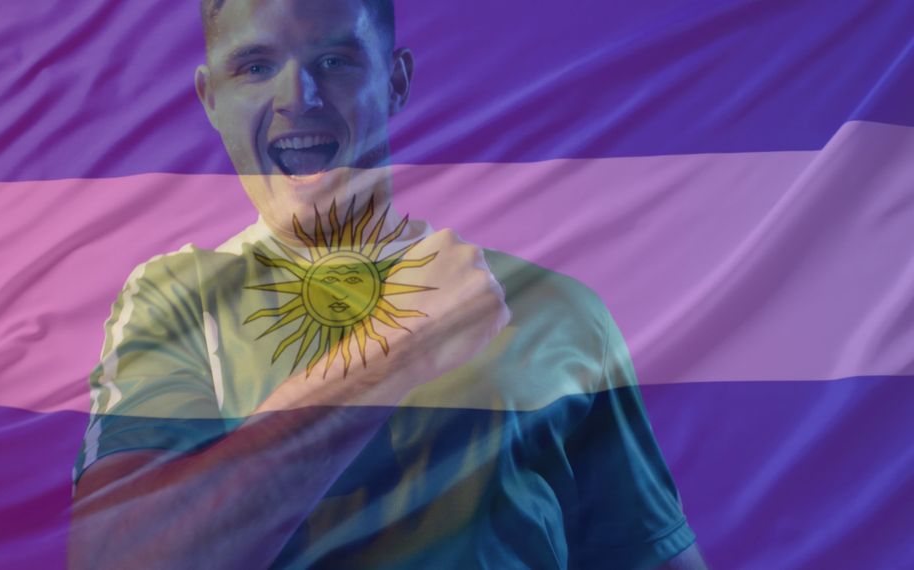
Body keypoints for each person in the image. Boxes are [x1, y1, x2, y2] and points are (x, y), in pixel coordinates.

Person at [69, 0, 707, 568]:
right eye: (256, 67)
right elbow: (116, 559)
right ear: (211, 99)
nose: (299, 97)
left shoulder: (558, 309)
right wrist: (397, 346)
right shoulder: (176, 295)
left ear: (396, 81)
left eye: (335, 60)